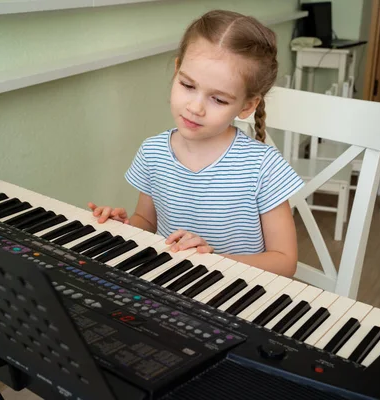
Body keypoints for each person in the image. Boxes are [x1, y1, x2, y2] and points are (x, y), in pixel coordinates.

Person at [89, 10, 304, 277]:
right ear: (177, 69)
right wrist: (122, 227)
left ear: (248, 105)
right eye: (188, 85)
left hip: (239, 296)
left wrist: (212, 260)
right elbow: (145, 221)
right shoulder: (153, 152)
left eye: (219, 100)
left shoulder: (262, 167)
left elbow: (285, 262)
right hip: (172, 288)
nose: (195, 107)